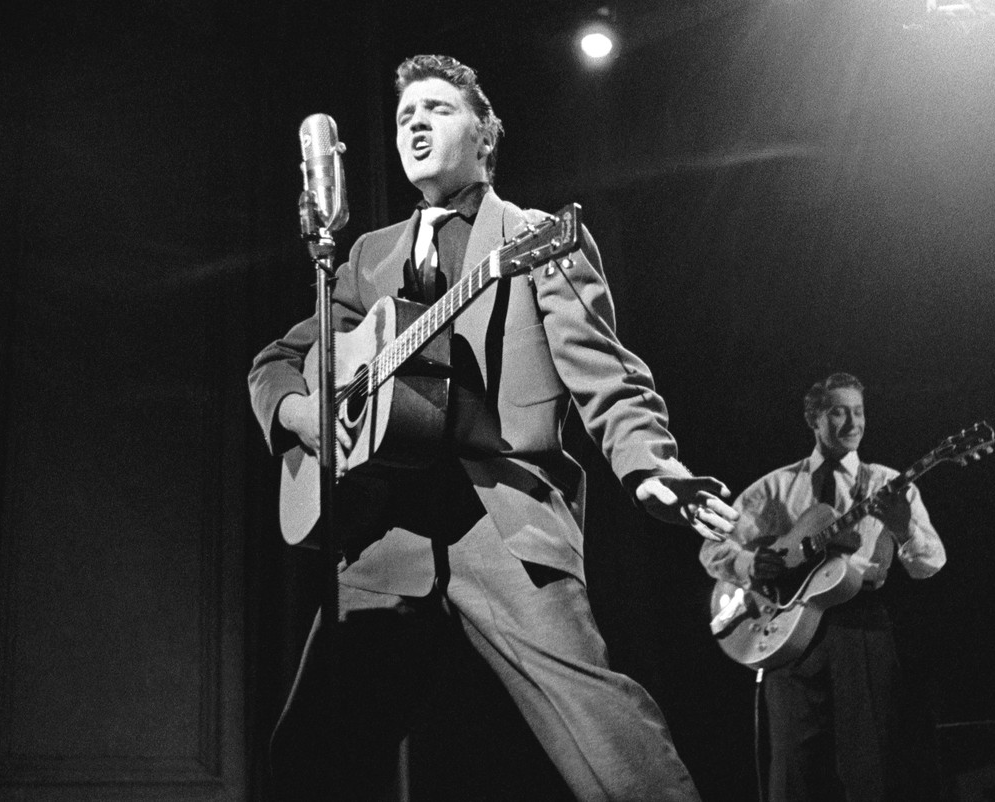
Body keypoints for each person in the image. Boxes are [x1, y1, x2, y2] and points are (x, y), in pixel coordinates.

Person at [249, 54, 738, 801]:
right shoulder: (364, 257)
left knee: (610, 742)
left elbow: (606, 373)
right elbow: (277, 361)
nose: (414, 120)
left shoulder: (537, 238)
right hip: (385, 531)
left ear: (485, 137)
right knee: (312, 755)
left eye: (438, 109)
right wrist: (302, 413)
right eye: (406, 113)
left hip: (499, 518)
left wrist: (652, 468)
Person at [699, 372, 947, 802]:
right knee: (791, 771)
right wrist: (750, 562)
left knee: (869, 766)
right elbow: (712, 548)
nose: (853, 422)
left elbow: (930, 563)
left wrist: (904, 530)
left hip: (861, 626)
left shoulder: (887, 482)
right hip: (785, 633)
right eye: (839, 412)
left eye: (859, 411)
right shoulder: (777, 486)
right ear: (814, 419)